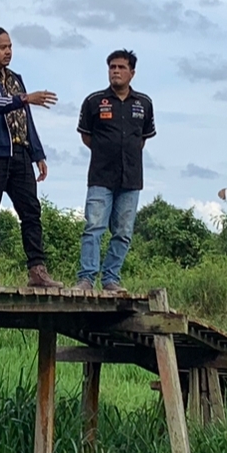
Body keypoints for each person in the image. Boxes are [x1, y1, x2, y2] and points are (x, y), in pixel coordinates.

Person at [0, 27, 61, 289]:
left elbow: (25, 118)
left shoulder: (16, 78)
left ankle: (37, 270)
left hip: (20, 152)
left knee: (31, 211)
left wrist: (37, 153)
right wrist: (23, 98)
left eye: (10, 47)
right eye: (2, 47)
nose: (8, 52)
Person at [75, 49, 155, 292]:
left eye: (121, 67)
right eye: (112, 67)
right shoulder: (94, 101)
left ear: (132, 72)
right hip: (100, 176)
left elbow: (142, 139)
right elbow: (86, 137)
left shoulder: (144, 103)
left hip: (131, 179)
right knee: (94, 228)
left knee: (123, 232)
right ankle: (86, 278)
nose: (116, 72)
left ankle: (111, 279)